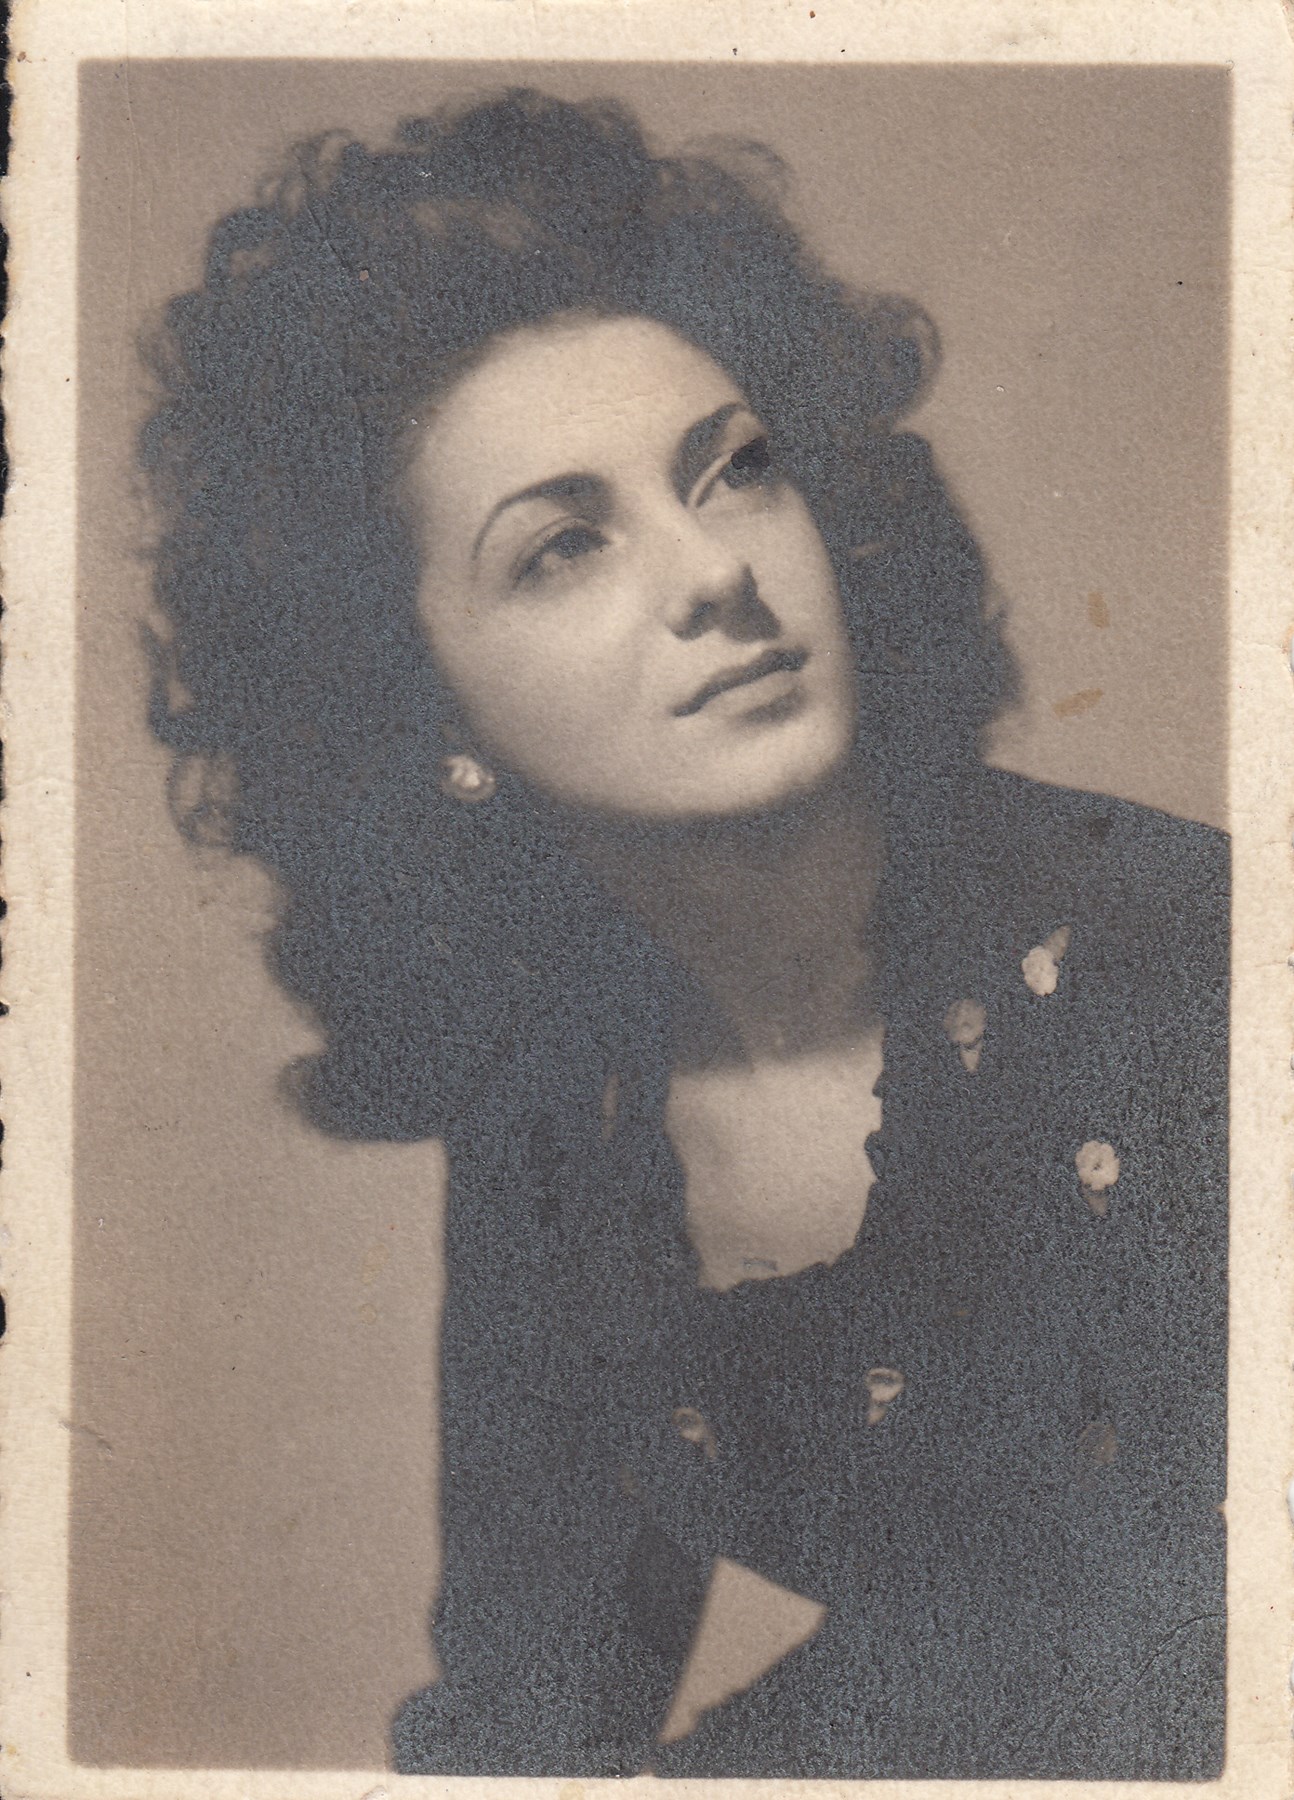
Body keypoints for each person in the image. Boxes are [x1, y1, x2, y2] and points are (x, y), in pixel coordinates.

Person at [142, 87, 1228, 1779]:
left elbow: (1163, 1661)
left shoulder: (1177, 959)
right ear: (422, 707)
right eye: (562, 549)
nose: (712, 573)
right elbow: (530, 1703)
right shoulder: (568, 1122)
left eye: (733, 473)